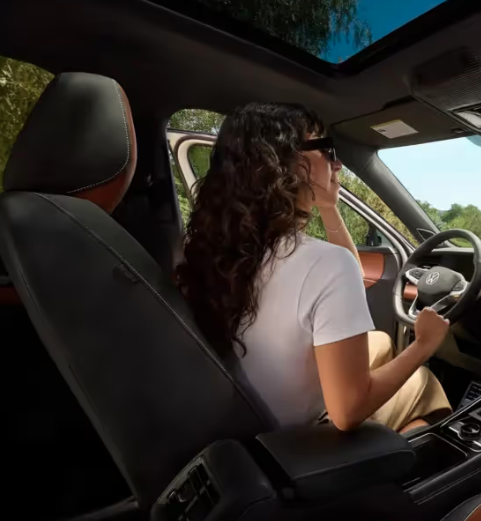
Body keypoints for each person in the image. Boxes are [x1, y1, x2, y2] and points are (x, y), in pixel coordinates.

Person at [176, 102, 452, 432]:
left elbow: (348, 266)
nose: (337, 164)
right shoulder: (324, 265)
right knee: (421, 382)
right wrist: (424, 345)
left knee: (378, 341)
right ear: (287, 163)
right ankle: (421, 470)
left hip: (242, 421)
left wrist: (328, 206)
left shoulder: (213, 250)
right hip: (298, 440)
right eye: (326, 148)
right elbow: (347, 411)